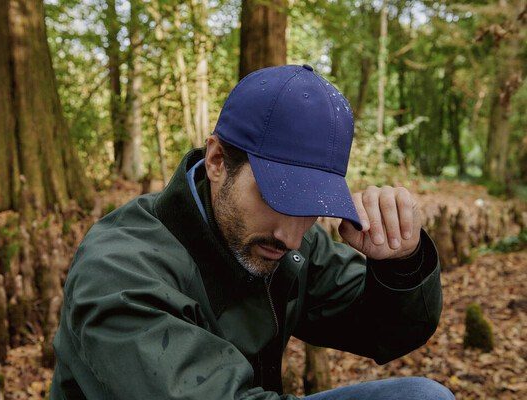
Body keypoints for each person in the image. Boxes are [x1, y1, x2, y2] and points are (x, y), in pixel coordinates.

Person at [50, 64, 454, 399]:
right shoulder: (119, 271)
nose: (293, 236)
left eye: (311, 207)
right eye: (279, 197)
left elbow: (386, 331)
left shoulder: (283, 241)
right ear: (217, 160)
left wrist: (401, 264)